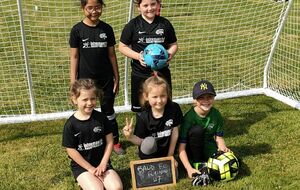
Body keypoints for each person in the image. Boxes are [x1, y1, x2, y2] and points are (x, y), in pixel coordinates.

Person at [69, 0, 124, 154]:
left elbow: (112, 55)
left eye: (98, 7)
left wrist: (116, 77)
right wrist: (73, 82)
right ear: (83, 8)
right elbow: (74, 57)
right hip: (85, 82)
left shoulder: (106, 29)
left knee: (108, 111)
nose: (94, 11)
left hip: (106, 79)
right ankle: (89, 141)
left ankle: (115, 142)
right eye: (90, 8)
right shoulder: (77, 30)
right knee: (87, 111)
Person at [62, 79, 123, 190]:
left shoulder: (101, 118)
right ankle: (84, 179)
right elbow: (71, 150)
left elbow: (110, 142)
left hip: (102, 164)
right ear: (74, 100)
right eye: (85, 99)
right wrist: (90, 168)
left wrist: (103, 163)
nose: (90, 103)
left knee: (117, 187)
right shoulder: (70, 125)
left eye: (93, 99)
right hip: (82, 167)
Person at [119, 0, 178, 112]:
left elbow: (174, 45)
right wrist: (138, 56)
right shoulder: (133, 25)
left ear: (158, 4)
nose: (149, 8)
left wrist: (170, 53)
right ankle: (143, 128)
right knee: (142, 109)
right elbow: (122, 47)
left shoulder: (164, 24)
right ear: (139, 7)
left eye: (153, 4)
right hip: (140, 73)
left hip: (162, 73)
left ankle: (164, 128)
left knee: (163, 105)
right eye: (145, 5)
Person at [122, 75, 183, 160]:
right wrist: (130, 137)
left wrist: (170, 156)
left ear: (167, 94)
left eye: (163, 96)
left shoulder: (174, 108)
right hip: (149, 154)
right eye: (155, 97)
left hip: (167, 152)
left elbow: (175, 133)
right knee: (149, 142)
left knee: (172, 173)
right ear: (146, 96)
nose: (159, 101)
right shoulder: (142, 116)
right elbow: (141, 142)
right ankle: (150, 165)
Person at [178, 80, 231, 179]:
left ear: (214, 98)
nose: (206, 101)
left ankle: (206, 161)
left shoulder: (216, 115)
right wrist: (188, 168)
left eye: (209, 97)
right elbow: (181, 148)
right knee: (197, 130)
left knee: (229, 162)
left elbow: (219, 138)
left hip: (208, 145)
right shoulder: (188, 118)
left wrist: (222, 149)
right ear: (194, 100)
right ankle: (197, 162)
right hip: (192, 149)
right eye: (201, 98)